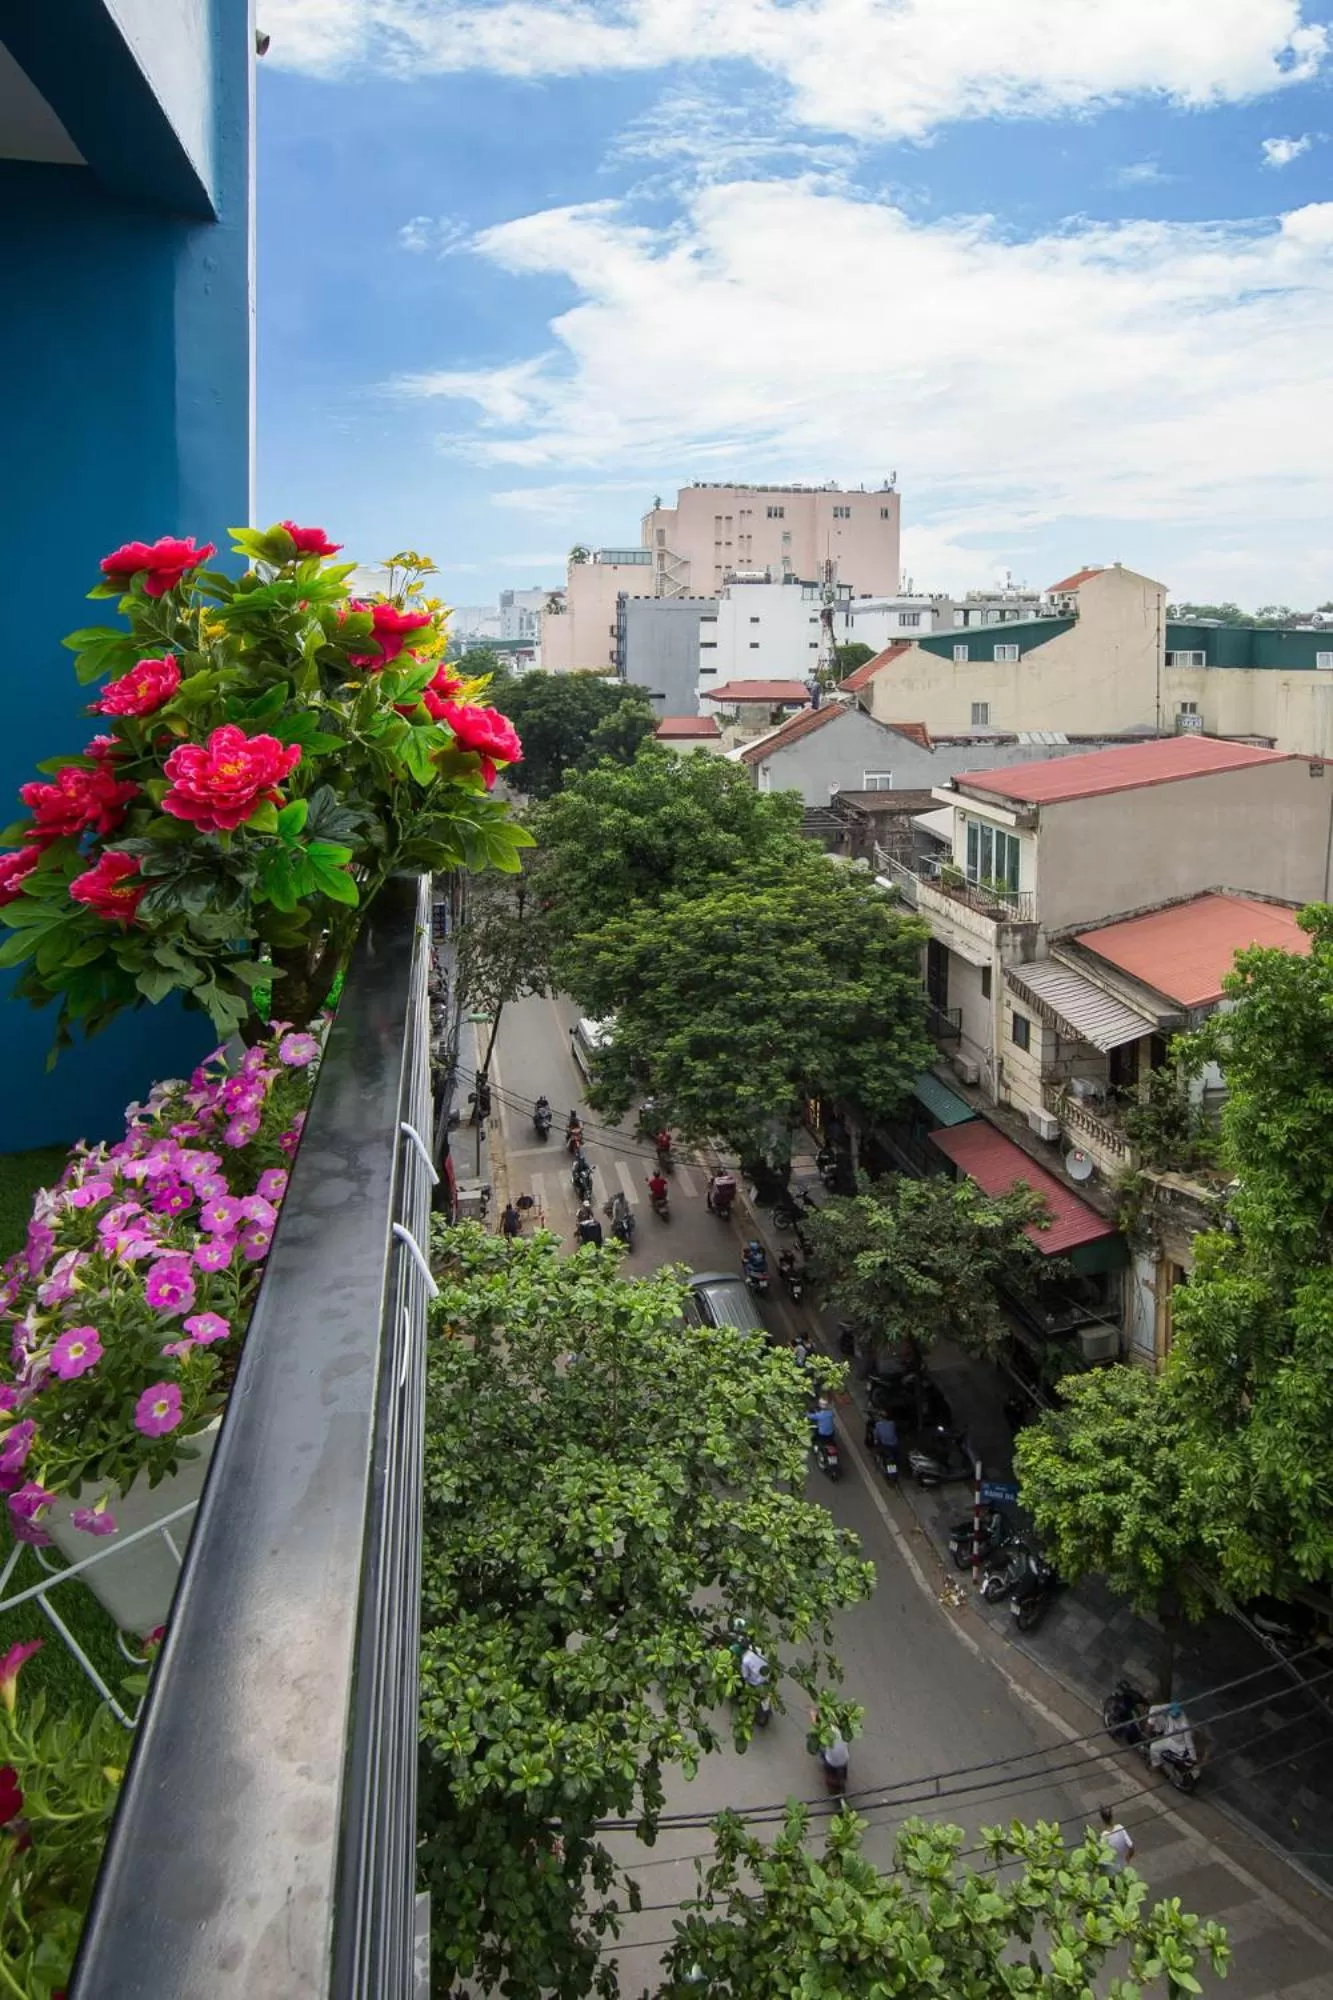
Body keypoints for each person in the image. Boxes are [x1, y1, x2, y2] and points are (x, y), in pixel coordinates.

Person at [1146, 1701, 1198, 1771]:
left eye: (1175, 1716)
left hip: (1175, 1741)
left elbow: (1189, 1742)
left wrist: (1193, 1758)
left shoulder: (1184, 1725)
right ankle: (1152, 1737)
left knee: (1154, 1746)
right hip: (1167, 1729)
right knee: (1156, 1714)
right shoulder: (1171, 1709)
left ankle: (1156, 1765)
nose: (1173, 1716)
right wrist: (1150, 1722)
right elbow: (1154, 1708)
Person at [1097, 1805, 1134, 1872]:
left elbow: (1102, 1860)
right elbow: (1131, 1846)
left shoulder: (1103, 1836)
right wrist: (1128, 1858)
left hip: (1111, 1870)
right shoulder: (1120, 1828)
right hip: (1123, 1866)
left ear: (1102, 1818)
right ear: (1111, 1816)